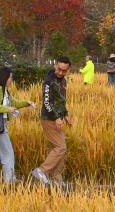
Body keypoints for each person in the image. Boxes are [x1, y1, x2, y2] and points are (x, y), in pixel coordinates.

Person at [31, 56, 71, 185]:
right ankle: (41, 171)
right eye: (59, 69)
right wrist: (56, 117)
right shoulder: (49, 81)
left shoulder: (63, 81)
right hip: (48, 118)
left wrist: (65, 114)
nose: (60, 72)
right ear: (55, 66)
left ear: (68, 70)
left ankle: (56, 178)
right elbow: (46, 103)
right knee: (60, 147)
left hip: (57, 118)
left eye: (64, 71)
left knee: (60, 147)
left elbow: (61, 100)